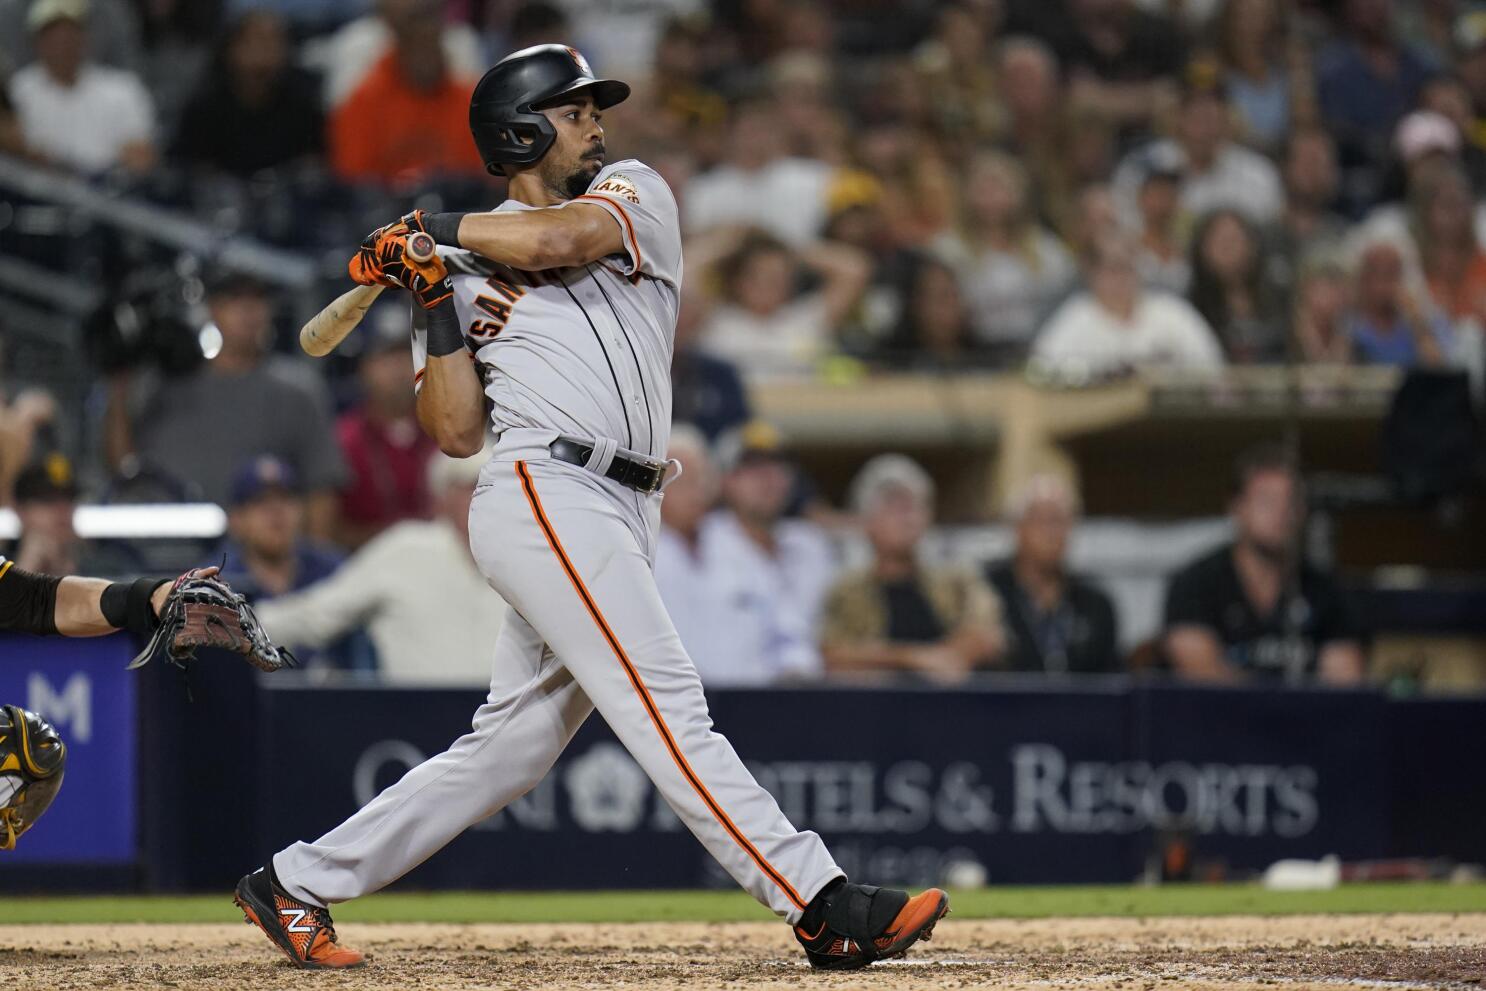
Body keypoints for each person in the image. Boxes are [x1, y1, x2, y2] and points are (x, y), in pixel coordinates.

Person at [232, 45, 947, 973]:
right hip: (542, 489)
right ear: (520, 130)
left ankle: (296, 881)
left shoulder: (633, 192)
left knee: (512, 748)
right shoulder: (452, 258)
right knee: (664, 703)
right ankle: (821, 901)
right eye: (574, 112)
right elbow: (453, 431)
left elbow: (556, 243)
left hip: (628, 499)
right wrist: (431, 291)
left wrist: (430, 226)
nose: (596, 124)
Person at [106, 271, 348, 540]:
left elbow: (321, 493)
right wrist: (118, 388)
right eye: (234, 299)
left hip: (259, 565)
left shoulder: (298, 391)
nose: (247, 310)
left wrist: (315, 567)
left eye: (258, 299)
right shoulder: (162, 386)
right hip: (164, 552)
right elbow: (123, 469)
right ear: (212, 308)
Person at [252, 448, 507, 685]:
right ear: (443, 497)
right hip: (419, 719)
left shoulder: (526, 561)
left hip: (508, 723)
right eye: (471, 487)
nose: (482, 498)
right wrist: (237, 624)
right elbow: (316, 615)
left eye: (494, 487)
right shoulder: (407, 550)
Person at [1164, 444, 1366, 685]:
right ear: (1237, 507)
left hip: (1306, 722)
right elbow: (1201, 677)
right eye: (1267, 500)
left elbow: (1345, 683)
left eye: (1291, 501)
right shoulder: (1196, 583)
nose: (1281, 512)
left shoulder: (1326, 590)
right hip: (1218, 720)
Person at [670, 423, 836, 687]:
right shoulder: (700, 540)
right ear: (723, 480)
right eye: (752, 468)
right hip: (729, 699)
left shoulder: (811, 547)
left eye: (777, 466)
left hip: (811, 697)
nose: (768, 478)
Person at [820, 455, 1002, 682]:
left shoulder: (957, 581)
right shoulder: (847, 592)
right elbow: (833, 656)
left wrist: (951, 656)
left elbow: (989, 634)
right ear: (867, 521)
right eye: (894, 507)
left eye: (914, 507)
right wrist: (913, 658)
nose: (907, 518)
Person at [934, 148, 1077, 365]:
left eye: (999, 188)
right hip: (971, 352)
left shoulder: (1046, 249)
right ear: (967, 194)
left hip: (1036, 348)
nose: (991, 197)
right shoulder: (948, 250)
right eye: (983, 189)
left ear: (1019, 194)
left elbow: (1067, 301)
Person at [329, 0, 485, 186]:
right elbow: (351, 175)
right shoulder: (364, 100)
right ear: (400, 49)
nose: (425, 58)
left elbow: (482, 173)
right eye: (417, 47)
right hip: (385, 207)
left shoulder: (468, 102)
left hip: (453, 206)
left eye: (430, 46)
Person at [1110, 64, 1284, 230]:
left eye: (1213, 105)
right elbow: (1123, 230)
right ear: (1176, 114)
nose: (1204, 113)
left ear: (1228, 115)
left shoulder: (1258, 174)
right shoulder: (1142, 166)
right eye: (1193, 105)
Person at [1030, 234, 1226, 380]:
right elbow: (1042, 373)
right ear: (1092, 272)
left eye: (1128, 266)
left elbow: (1212, 367)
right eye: (1113, 267)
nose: (1122, 277)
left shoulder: (1171, 312)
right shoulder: (1074, 318)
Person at [985, 475, 1119, 675]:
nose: (1053, 533)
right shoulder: (987, 594)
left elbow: (1113, 680)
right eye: (1043, 520)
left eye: (1061, 521)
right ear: (1017, 528)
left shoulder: (1095, 603)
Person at [697, 228, 870, 382]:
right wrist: (738, 240)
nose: (768, 284)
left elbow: (854, 269)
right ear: (739, 280)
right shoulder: (715, 319)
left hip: (799, 412)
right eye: (759, 275)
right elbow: (686, 271)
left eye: (778, 277)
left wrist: (790, 246)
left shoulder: (806, 318)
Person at [7, 0, 156, 175]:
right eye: (53, 34)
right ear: (37, 41)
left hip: (108, 192)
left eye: (70, 33)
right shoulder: (18, 91)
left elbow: (141, 157)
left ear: (84, 37)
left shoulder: (122, 90)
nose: (62, 43)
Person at [172, 9, 323, 178]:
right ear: (232, 48)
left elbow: (315, 164)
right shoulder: (204, 105)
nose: (266, 51)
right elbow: (184, 167)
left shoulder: (303, 103)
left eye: (275, 42)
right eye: (258, 41)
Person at [335, 316, 439, 548]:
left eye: (406, 356)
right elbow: (329, 530)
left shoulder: (445, 432)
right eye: (386, 359)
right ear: (364, 368)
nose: (399, 370)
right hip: (367, 570)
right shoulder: (344, 439)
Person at [1187, 209, 1286, 364]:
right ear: (1202, 249)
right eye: (1219, 241)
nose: (1227, 249)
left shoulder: (1280, 298)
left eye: (1234, 240)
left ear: (1253, 246)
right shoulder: (1189, 307)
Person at [1343, 237, 1453, 367]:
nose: (1381, 285)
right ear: (1362, 279)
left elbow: (1439, 369)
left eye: (1390, 275)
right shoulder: (1348, 323)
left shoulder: (1428, 319)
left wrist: (1416, 321)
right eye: (1374, 274)